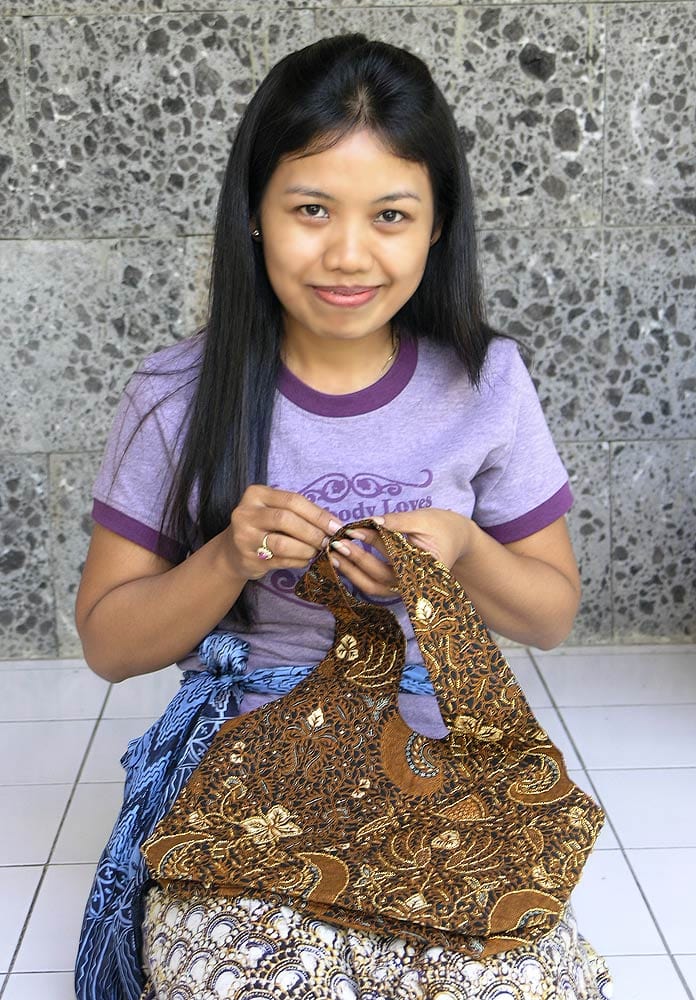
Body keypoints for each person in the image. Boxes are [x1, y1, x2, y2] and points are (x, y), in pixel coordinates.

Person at [74, 32, 612, 1000]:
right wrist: (225, 559)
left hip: (444, 763)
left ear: (438, 224)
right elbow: (111, 645)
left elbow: (548, 616)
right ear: (253, 216)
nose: (348, 254)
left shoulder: (486, 381)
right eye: (310, 209)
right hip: (247, 772)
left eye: (392, 215)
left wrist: (462, 549)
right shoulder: (173, 394)